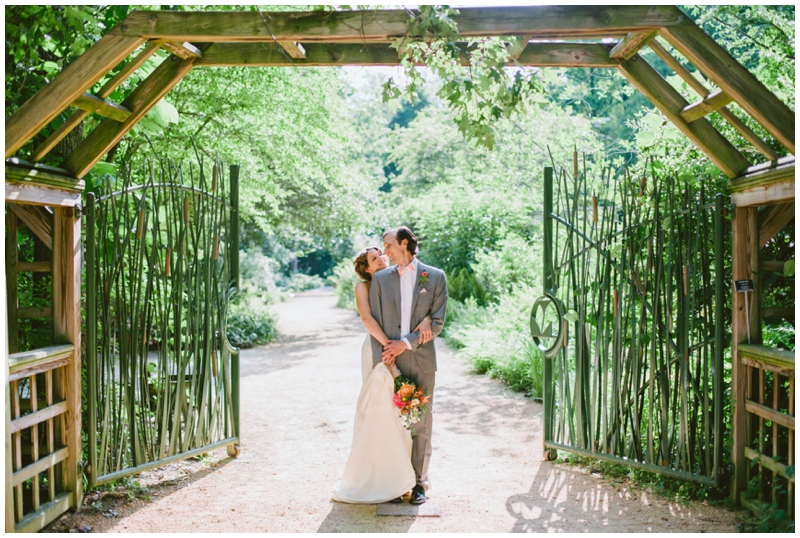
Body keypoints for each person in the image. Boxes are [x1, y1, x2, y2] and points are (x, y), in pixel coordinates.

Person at [331, 246, 434, 504]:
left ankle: (408, 478)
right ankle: (382, 478)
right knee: (379, 409)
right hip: (379, 349)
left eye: (382, 254)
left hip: (401, 349)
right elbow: (367, 318)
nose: (382, 258)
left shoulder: (400, 276)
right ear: (367, 269)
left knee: (405, 412)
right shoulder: (362, 287)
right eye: (374, 258)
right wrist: (388, 346)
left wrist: (426, 321)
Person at [369, 226, 448, 505]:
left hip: (423, 359)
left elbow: (437, 323)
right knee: (392, 423)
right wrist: (384, 357)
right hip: (391, 362)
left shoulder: (435, 276)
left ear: (404, 244)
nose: (385, 251)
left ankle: (419, 483)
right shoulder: (380, 279)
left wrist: (407, 342)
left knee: (421, 423)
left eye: (388, 245)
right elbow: (375, 322)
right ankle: (394, 482)